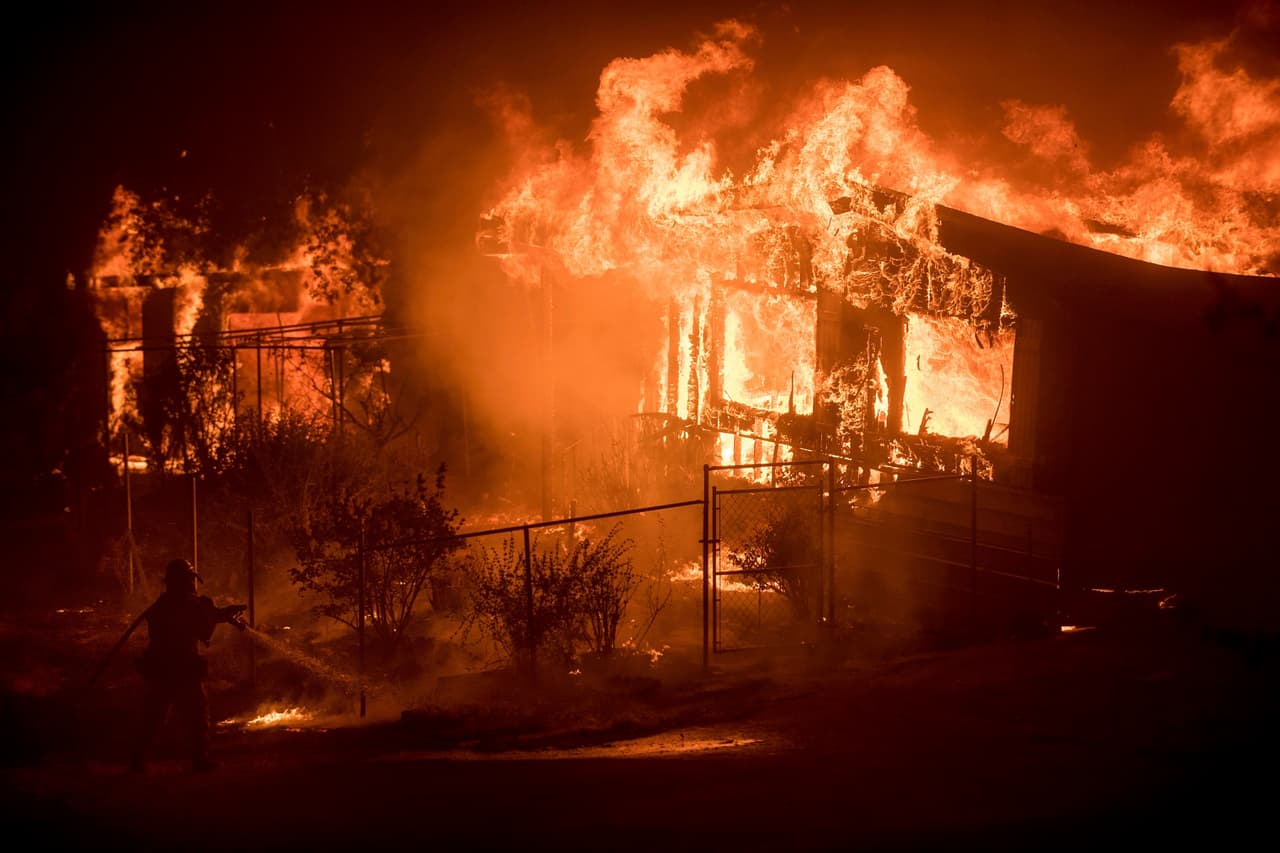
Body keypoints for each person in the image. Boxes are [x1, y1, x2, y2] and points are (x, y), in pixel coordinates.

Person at [129, 557, 247, 774]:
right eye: (189, 580)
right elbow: (202, 628)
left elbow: (200, 618)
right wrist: (219, 613)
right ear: (181, 581)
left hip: (161, 668)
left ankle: (137, 761)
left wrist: (221, 613)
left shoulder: (162, 605)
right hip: (181, 667)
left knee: (152, 716)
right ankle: (200, 760)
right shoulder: (185, 605)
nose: (192, 584)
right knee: (196, 716)